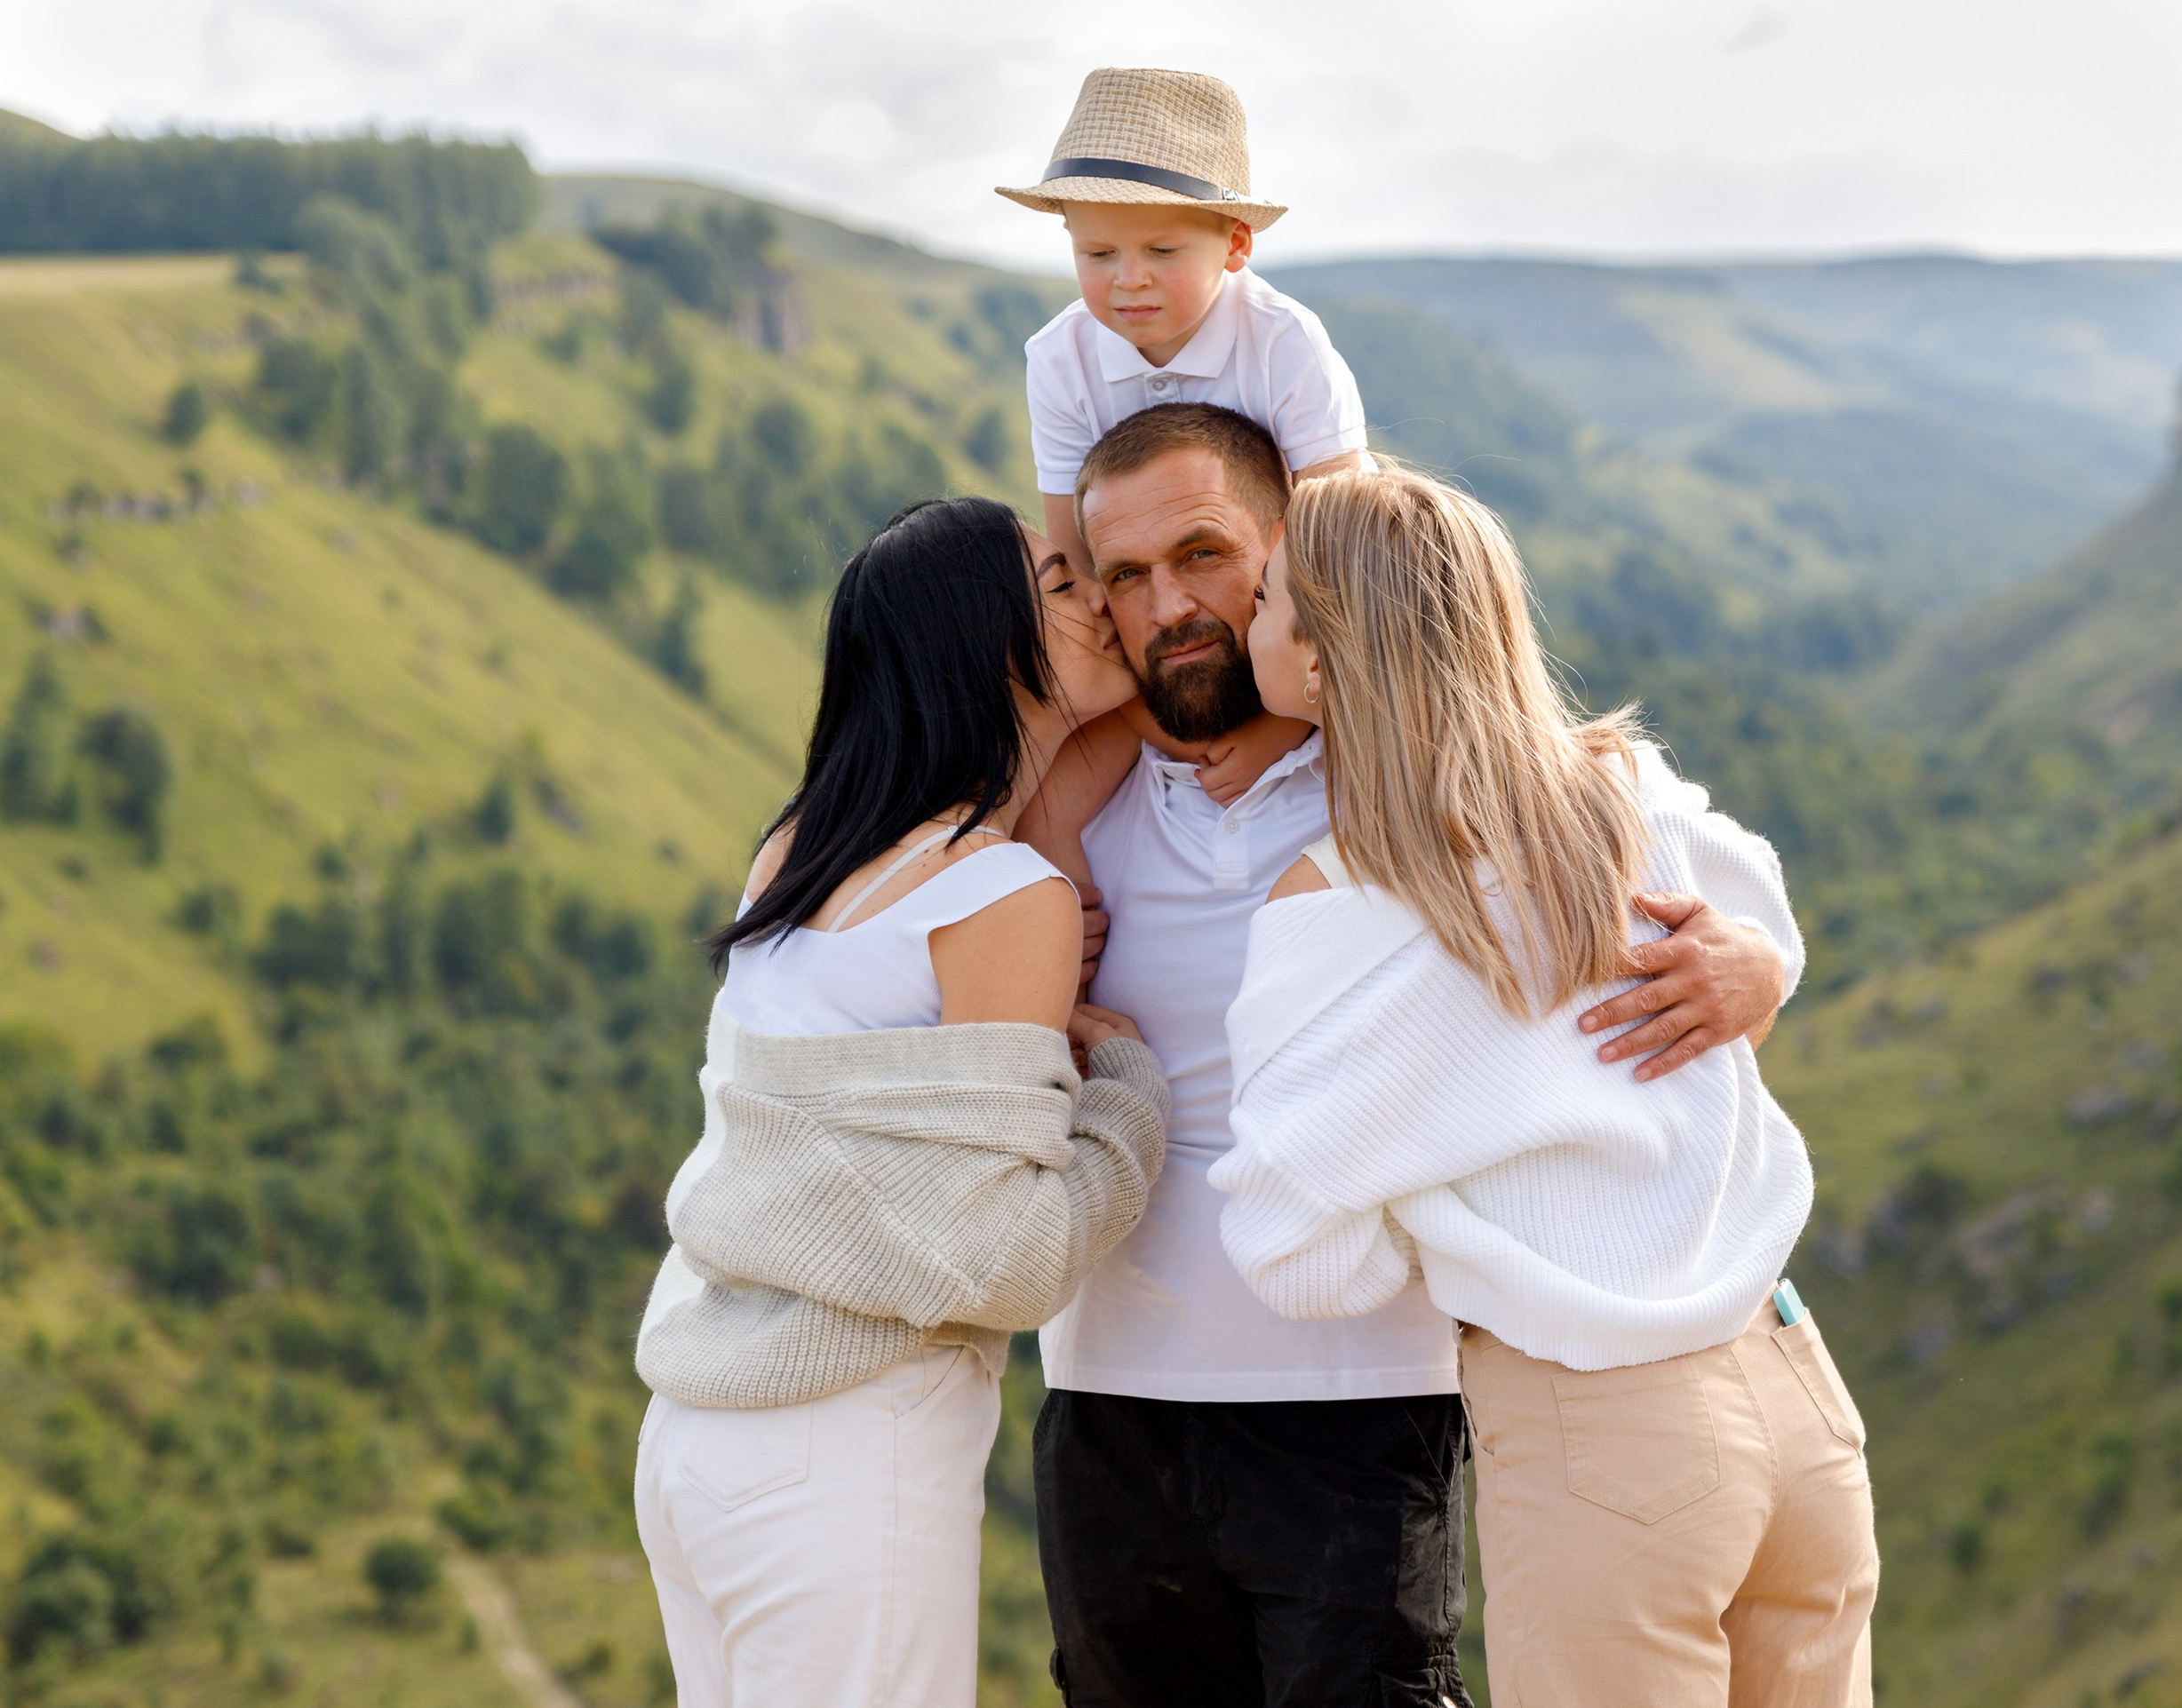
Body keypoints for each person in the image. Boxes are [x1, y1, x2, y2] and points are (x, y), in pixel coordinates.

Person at [1025, 404, 1800, 1707]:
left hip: (1363, 1404)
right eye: (1127, 576)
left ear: (1288, 565)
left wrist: (1762, 964)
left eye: (1207, 556)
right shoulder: (1064, 814)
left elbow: (1665, 862)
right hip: (1108, 1403)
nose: (1171, 603)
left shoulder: (1414, 788)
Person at [1214, 465, 1878, 1707]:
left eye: (1263, 596)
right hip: (1796, 1389)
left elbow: (1294, 1251)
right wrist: (1762, 973)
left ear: (1318, 659)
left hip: (1607, 1433)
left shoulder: (1343, 905)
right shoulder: (1625, 794)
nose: (1245, 620)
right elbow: (1763, 910)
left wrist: (1449, 1208)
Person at [631, 497, 1170, 1708]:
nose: (1102, 604)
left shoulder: (797, 846)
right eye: (1062, 584)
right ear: (980, 634)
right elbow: (1010, 1254)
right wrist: (1125, 1083)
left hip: (696, 1431)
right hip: (846, 1438)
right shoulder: (1000, 895)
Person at [999, 64, 1367, 858]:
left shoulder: (1285, 344)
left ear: (1236, 244)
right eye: (1097, 253)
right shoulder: (1060, 359)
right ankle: (1050, 895)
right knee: (1041, 790)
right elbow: (1078, 566)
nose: (1127, 280)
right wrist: (1144, 715)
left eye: (1161, 248)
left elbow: (1345, 544)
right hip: (1150, 639)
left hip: (1293, 631)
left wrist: (1280, 720)